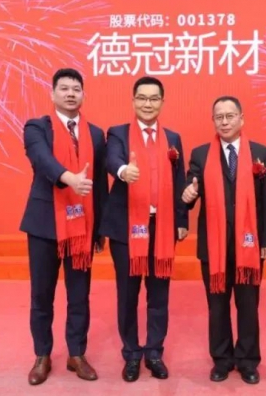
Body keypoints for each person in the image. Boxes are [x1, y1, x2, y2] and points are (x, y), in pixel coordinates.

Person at [182, 96, 266, 385]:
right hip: (214, 246)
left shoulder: (262, 153)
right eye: (219, 117)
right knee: (217, 306)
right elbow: (190, 189)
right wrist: (188, 195)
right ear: (213, 121)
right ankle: (222, 359)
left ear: (241, 118)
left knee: (248, 306)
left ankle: (248, 361)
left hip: (250, 244)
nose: (224, 122)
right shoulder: (201, 154)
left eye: (230, 116)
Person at [19, 68, 108, 385]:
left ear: (84, 95)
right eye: (64, 88)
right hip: (45, 225)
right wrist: (70, 178)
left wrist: (100, 229)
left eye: (76, 89)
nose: (71, 93)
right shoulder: (37, 127)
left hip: (82, 226)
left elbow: (99, 183)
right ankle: (42, 355)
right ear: (53, 93)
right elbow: (41, 159)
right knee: (42, 295)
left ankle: (76, 354)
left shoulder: (95, 134)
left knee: (79, 295)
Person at [99, 76, 189, 382]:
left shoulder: (173, 138)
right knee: (127, 294)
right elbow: (112, 160)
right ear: (133, 100)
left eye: (153, 98)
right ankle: (131, 353)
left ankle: (154, 352)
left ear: (162, 102)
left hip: (161, 227)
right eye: (142, 98)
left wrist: (182, 220)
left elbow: (180, 180)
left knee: (159, 294)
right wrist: (124, 170)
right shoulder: (119, 133)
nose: (147, 104)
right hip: (126, 228)